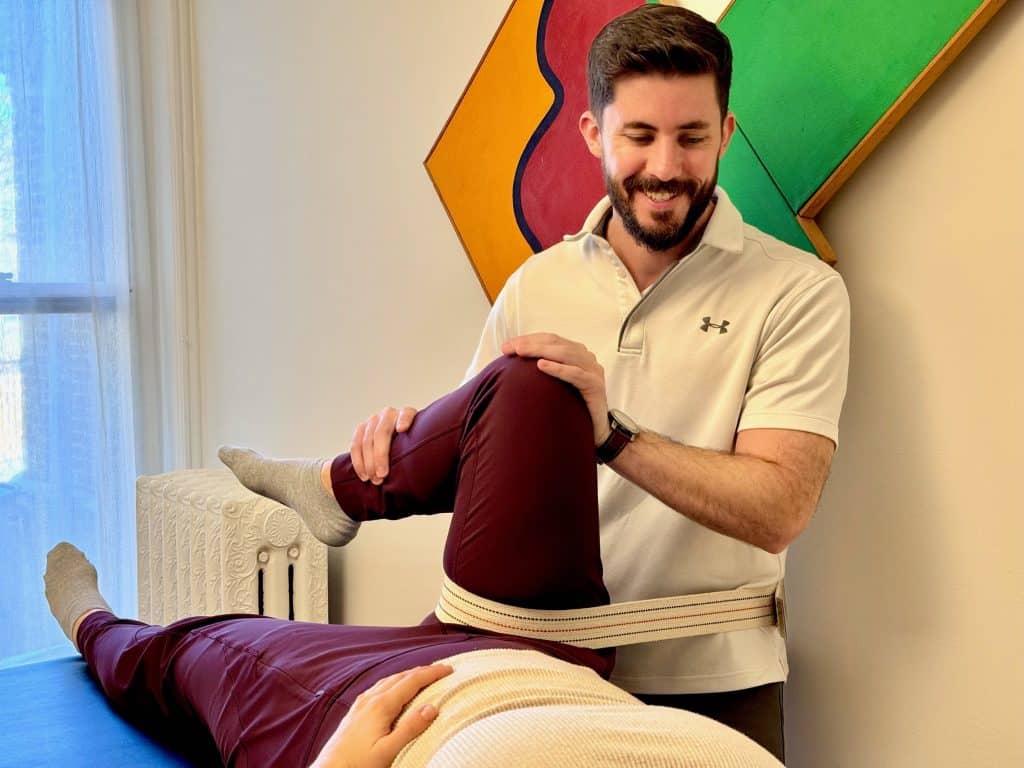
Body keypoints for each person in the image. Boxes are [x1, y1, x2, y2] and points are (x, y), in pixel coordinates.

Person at [347, 5, 850, 760]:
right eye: (639, 136)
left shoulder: (798, 292)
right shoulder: (535, 284)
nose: (667, 167)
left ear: (727, 133)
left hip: (718, 686)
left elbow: (778, 507)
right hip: (539, 677)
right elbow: (489, 475)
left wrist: (612, 436)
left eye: (692, 137)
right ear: (593, 135)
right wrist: (404, 438)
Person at [45, 357, 782, 767]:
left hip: (377, 713)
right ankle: (337, 489)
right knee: (538, 381)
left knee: (188, 650)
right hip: (554, 653)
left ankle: (93, 623)